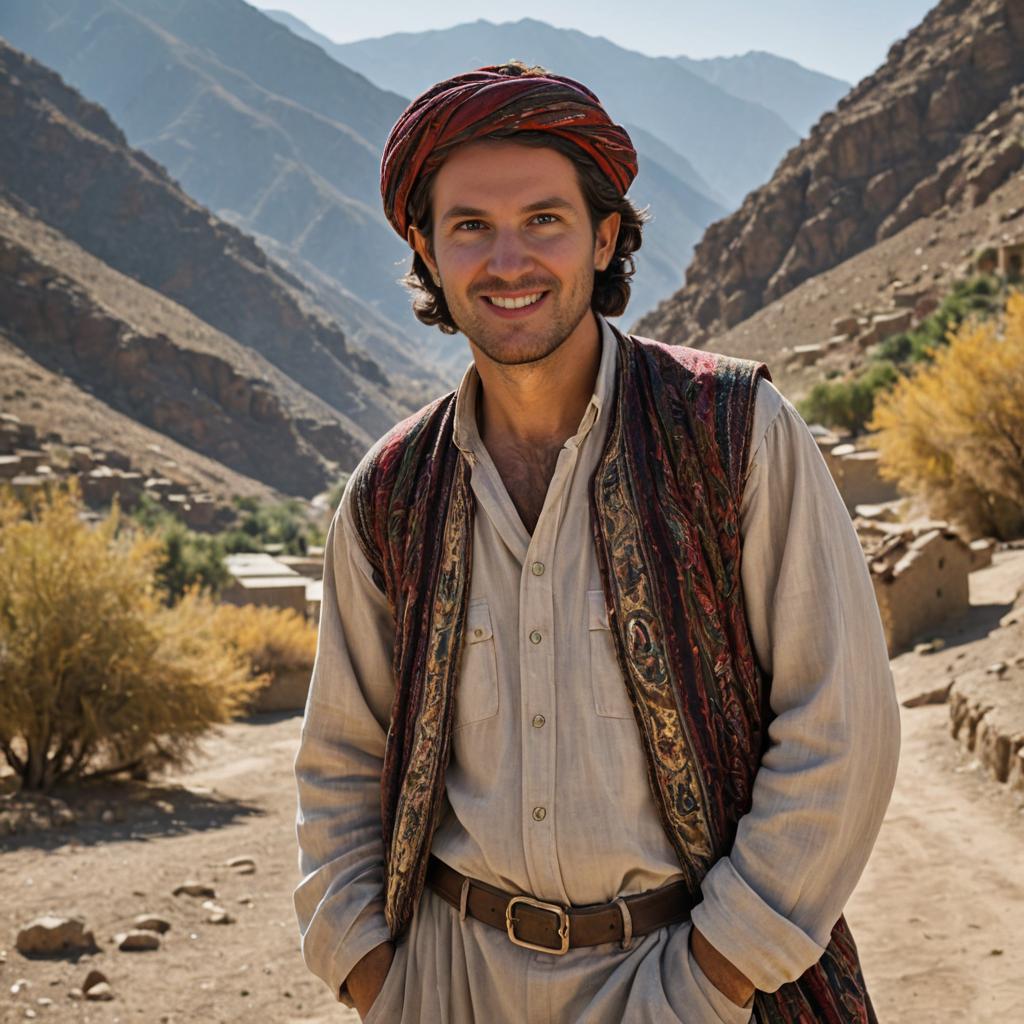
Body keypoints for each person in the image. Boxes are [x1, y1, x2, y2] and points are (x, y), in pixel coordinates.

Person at [293, 61, 900, 1023]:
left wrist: (713, 978)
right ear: (425, 247)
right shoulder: (391, 494)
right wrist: (374, 974)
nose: (508, 261)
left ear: (604, 235)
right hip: (452, 986)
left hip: (687, 977)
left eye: (544, 220)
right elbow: (340, 762)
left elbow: (841, 725)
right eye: (469, 227)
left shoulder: (732, 431)